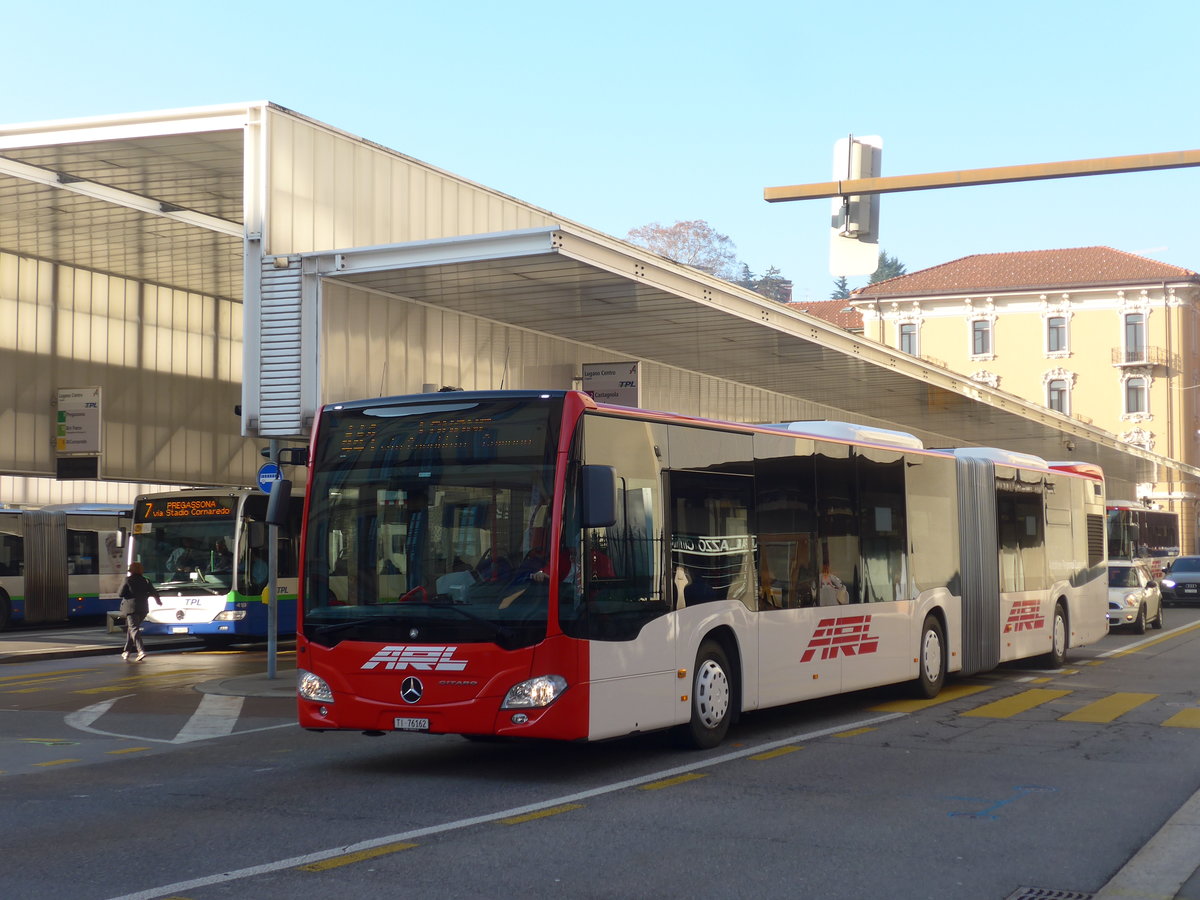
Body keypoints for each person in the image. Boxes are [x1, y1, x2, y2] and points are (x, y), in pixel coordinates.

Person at [118, 562, 162, 662]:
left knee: (133, 629)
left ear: (131, 570)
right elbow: (154, 592)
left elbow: (120, 594)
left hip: (131, 608)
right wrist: (158, 601)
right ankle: (127, 651)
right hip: (143, 609)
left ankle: (141, 651)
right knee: (132, 628)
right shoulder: (146, 580)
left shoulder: (128, 580)